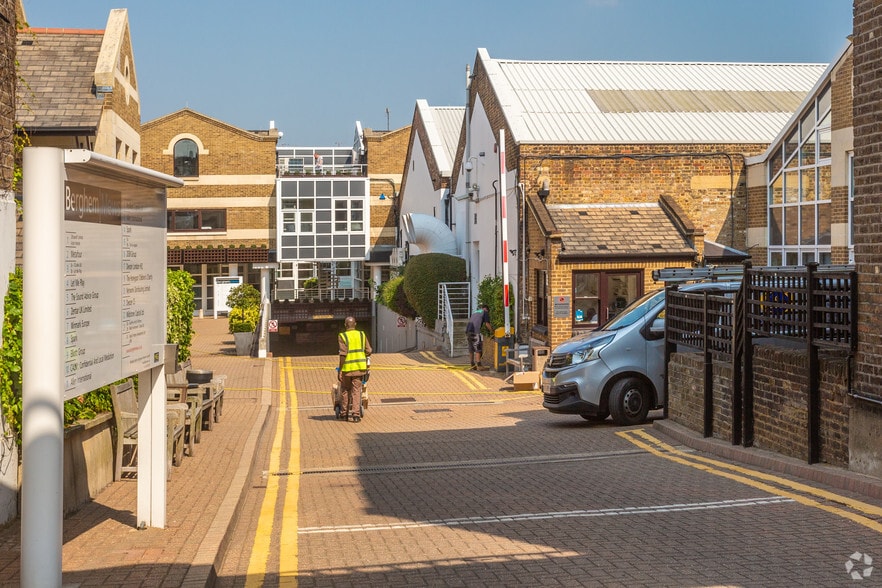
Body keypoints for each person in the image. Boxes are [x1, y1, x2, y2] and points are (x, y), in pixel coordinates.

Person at [338, 316, 372, 422]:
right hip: (359, 368)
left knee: (345, 390)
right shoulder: (362, 334)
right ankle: (356, 415)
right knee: (357, 391)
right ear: (355, 324)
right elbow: (369, 350)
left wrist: (340, 370)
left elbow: (343, 354)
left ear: (345, 325)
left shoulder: (342, 336)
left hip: (347, 369)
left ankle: (344, 414)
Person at [465, 304, 493, 370]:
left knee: (471, 348)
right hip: (475, 331)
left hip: (468, 331)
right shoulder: (485, 312)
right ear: (486, 309)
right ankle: (479, 365)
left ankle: (472, 364)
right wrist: (493, 331)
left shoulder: (475, 312)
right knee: (478, 348)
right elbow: (487, 324)